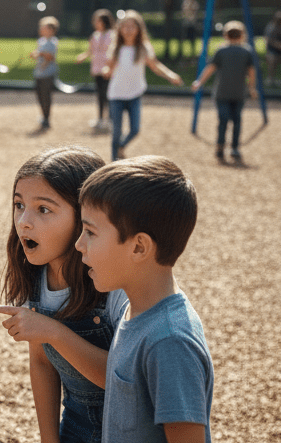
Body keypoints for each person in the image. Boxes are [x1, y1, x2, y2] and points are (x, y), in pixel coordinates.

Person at [0, 146, 128, 443]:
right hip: (74, 427)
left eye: (43, 209)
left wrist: (54, 332)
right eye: (19, 205)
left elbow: (125, 380)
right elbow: (41, 363)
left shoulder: (117, 285)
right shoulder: (35, 277)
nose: (24, 221)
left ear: (85, 217)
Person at [75, 156, 213, 443]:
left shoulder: (170, 342)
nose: (79, 244)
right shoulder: (135, 311)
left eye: (90, 232)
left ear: (139, 247)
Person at [103, 10, 183, 161]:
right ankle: (114, 162)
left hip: (134, 94)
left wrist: (170, 75)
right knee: (116, 133)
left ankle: (121, 147)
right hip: (116, 95)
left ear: (139, 29)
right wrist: (106, 70)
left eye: (132, 26)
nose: (128, 30)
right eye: (125, 26)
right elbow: (109, 66)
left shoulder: (143, 48)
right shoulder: (116, 48)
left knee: (135, 129)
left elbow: (155, 66)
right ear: (120, 29)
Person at [191, 20, 258, 163]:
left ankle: (220, 146)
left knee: (223, 120)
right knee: (237, 121)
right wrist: (252, 88)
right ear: (242, 35)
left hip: (223, 93)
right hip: (238, 93)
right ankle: (234, 148)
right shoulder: (246, 51)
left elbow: (210, 69)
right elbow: (251, 72)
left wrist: (199, 82)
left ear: (225, 35)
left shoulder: (222, 51)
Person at [76, 9, 115, 131]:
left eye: (97, 21)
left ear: (104, 22)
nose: (95, 23)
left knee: (108, 95)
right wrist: (83, 56)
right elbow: (91, 50)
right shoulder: (95, 35)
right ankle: (100, 119)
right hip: (97, 69)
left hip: (108, 69)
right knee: (100, 95)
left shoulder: (112, 35)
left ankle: (111, 120)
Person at [32, 16, 59, 130]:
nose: (41, 29)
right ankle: (43, 116)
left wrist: (41, 54)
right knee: (39, 96)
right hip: (39, 73)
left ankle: (46, 118)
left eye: (43, 27)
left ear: (51, 30)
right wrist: (36, 54)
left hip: (48, 74)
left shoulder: (53, 42)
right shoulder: (41, 41)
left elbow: (50, 57)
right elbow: (40, 53)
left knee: (46, 96)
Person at [264, 11, 281, 87]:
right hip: (272, 51)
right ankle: (270, 79)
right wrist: (279, 45)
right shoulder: (270, 27)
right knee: (272, 59)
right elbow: (269, 40)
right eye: (279, 19)